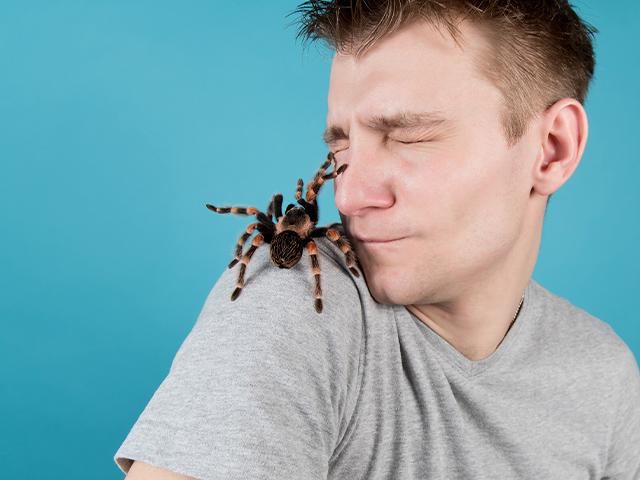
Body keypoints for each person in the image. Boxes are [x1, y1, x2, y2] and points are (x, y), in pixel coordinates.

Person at [114, 1, 640, 478]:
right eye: (343, 147)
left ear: (551, 150)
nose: (349, 195)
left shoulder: (604, 372)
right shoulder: (293, 305)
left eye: (409, 136)